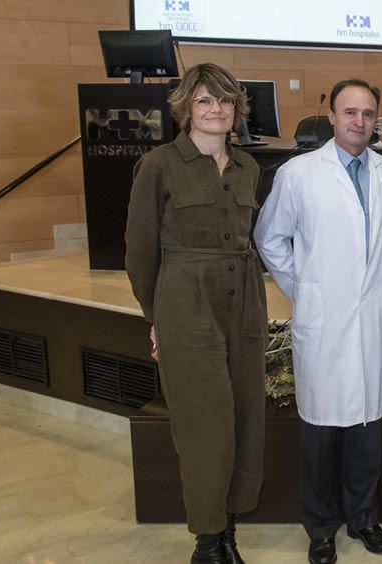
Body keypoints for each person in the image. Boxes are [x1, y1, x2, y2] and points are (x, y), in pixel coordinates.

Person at [254, 79, 382, 564]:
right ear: (332, 117)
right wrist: (306, 289)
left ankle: (363, 519)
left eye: (368, 113)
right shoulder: (299, 173)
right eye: (350, 112)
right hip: (322, 321)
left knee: (367, 428)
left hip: (374, 319)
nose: (359, 121)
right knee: (320, 433)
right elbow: (269, 238)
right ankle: (320, 528)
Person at [125, 62, 267, 564]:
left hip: (244, 302)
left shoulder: (249, 167)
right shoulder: (159, 165)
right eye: (205, 100)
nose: (216, 109)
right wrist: (156, 318)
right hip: (187, 304)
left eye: (225, 100)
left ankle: (230, 531)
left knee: (245, 418)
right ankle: (207, 542)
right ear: (186, 107)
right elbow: (140, 250)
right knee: (204, 426)